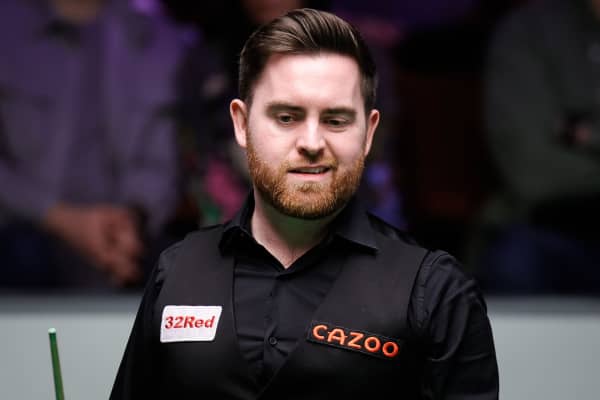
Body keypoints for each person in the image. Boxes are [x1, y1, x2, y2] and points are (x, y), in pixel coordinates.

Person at [110, 8, 499, 399]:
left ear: (368, 133)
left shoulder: (435, 291)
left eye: (336, 120)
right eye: (286, 117)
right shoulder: (177, 272)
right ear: (241, 124)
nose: (312, 143)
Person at [0, 0, 187, 290]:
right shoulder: (7, 26)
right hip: (24, 229)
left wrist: (130, 218)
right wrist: (59, 218)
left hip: (124, 238)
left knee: (184, 267)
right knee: (24, 255)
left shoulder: (156, 35)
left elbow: (159, 160)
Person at [473, 0, 600, 294]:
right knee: (517, 262)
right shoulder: (530, 31)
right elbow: (533, 173)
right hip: (552, 228)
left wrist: (588, 135)